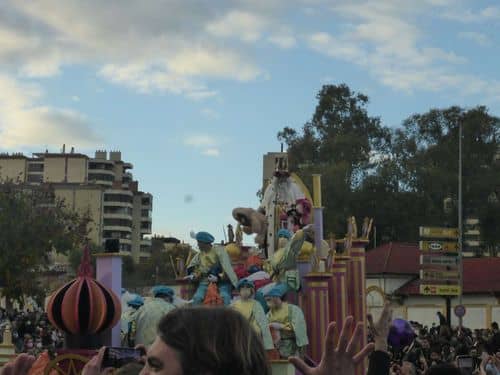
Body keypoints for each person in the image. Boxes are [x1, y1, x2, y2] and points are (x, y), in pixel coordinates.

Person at [186, 231, 238, 305]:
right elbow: (193, 268)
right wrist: (194, 275)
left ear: (204, 243)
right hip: (205, 282)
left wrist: (218, 278)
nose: (197, 244)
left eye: (198, 242)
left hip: (222, 282)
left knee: (225, 297)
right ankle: (197, 316)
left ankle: (227, 316)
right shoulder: (199, 255)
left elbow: (226, 267)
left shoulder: (219, 251)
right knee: (197, 298)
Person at [265, 283, 308, 358]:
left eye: (269, 299)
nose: (267, 302)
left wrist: (281, 326)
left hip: (292, 349)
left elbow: (299, 331)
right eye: (266, 300)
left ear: (277, 296)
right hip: (274, 352)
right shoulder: (268, 315)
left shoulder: (293, 310)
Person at [230, 278, 274, 352]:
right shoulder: (234, 305)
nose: (245, 291)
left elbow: (263, 323)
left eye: (248, 288)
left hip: (253, 336)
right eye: (243, 288)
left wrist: (268, 345)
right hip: (239, 335)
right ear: (239, 291)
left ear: (251, 291)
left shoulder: (256, 304)